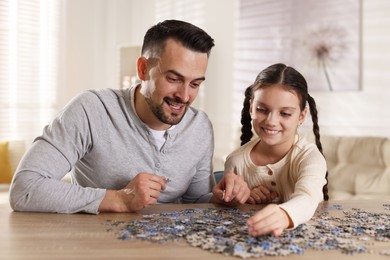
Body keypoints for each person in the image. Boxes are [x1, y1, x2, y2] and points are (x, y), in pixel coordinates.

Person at [9, 19, 215, 214]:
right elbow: (25, 188)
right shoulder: (92, 110)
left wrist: (222, 197)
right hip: (98, 245)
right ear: (143, 69)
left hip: (170, 248)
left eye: (195, 84)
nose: (185, 96)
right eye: (173, 79)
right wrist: (120, 199)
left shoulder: (200, 126)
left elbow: (194, 203)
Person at [212, 63, 328, 236]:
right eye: (262, 109)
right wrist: (232, 198)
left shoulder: (309, 157)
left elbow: (307, 198)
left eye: (285, 113)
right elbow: (229, 214)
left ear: (301, 116)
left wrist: (283, 215)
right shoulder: (235, 161)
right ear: (251, 107)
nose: (271, 121)